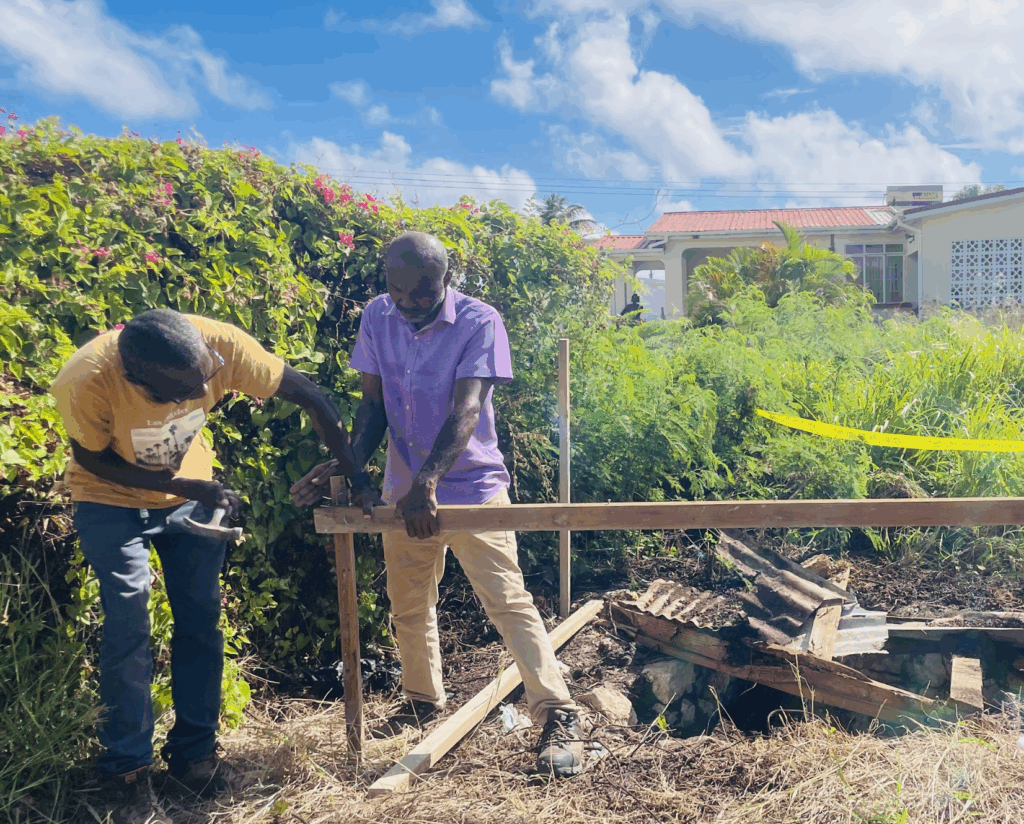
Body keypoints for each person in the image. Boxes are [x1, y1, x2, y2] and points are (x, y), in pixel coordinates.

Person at [50, 309, 367, 824]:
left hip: (188, 500)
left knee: (201, 619)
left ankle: (193, 757)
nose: (195, 396)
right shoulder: (85, 378)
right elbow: (89, 459)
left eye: (201, 381)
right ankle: (127, 772)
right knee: (129, 621)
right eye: (177, 393)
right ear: (135, 378)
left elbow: (313, 396)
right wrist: (180, 486)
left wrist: (356, 474)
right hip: (109, 501)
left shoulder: (220, 345)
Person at [291, 232, 585, 778]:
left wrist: (428, 481)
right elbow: (372, 406)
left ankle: (557, 712)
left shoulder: (479, 321)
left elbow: (467, 407)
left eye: (423, 292)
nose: (409, 303)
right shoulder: (377, 316)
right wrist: (349, 466)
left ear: (447, 279)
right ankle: (422, 700)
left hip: (472, 490)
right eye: (398, 291)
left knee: (508, 602)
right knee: (408, 604)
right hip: (404, 494)